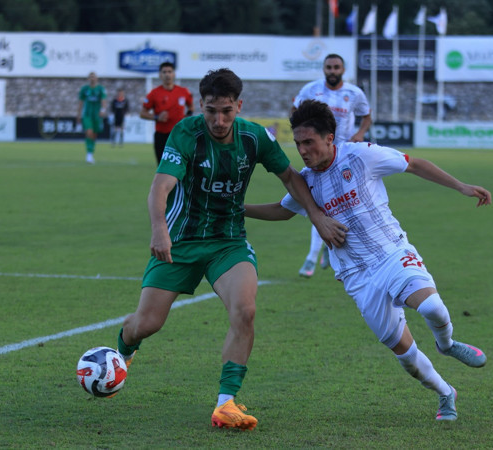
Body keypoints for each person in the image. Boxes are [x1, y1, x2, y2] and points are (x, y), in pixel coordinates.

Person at [116, 70, 347, 431]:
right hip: (180, 242)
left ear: (239, 105)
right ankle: (123, 352)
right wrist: (159, 230)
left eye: (226, 111)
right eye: (211, 111)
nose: (219, 120)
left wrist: (317, 218)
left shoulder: (255, 138)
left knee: (245, 310)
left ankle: (226, 403)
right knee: (146, 324)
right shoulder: (185, 133)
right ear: (200, 105)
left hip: (229, 242)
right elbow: (160, 187)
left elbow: (290, 176)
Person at [245, 99, 491, 421]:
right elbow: (282, 210)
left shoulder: (361, 155)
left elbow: (413, 164)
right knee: (405, 356)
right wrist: (240, 209)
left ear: (330, 138)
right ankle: (446, 392)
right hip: (357, 276)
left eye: (309, 142)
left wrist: (461, 186)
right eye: (298, 143)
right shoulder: (305, 181)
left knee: (431, 307)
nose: (303, 150)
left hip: (391, 252)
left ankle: (446, 344)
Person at [292, 53, 372, 278]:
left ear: (343, 70)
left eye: (336, 67)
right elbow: (295, 111)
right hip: (318, 156)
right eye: (329, 67)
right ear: (323, 69)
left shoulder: (354, 93)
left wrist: (360, 134)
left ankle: (325, 252)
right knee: (320, 206)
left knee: (335, 206)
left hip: (344, 156)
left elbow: (366, 116)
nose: (332, 71)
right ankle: (311, 258)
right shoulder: (311, 89)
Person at [140, 61, 194, 163]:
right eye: (164, 72)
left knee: (182, 165)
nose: (167, 74)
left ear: (174, 74)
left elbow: (191, 106)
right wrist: (156, 117)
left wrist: (189, 115)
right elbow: (142, 113)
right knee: (162, 166)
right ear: (160, 75)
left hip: (180, 134)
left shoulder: (183, 91)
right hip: (162, 135)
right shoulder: (154, 93)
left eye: (170, 71)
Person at [77, 72, 107, 164]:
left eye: (94, 77)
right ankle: (89, 155)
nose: (92, 78)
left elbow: (103, 100)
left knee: (94, 134)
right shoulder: (84, 89)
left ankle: (91, 152)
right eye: (90, 77)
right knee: (89, 132)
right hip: (87, 115)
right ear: (88, 79)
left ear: (97, 78)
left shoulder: (101, 89)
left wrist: (103, 110)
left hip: (97, 115)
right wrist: (78, 114)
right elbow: (81, 103)